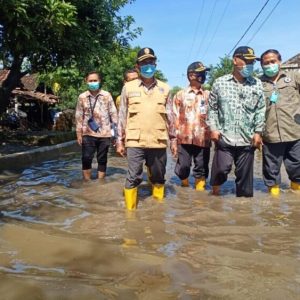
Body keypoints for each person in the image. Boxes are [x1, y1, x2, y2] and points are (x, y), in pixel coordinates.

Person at [116, 47, 177, 210]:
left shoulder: (165, 88)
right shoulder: (128, 88)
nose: (148, 65)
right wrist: (119, 141)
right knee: (133, 176)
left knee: (158, 177)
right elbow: (122, 115)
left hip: (158, 141)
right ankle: (130, 214)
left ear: (155, 64)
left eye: (151, 62)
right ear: (137, 66)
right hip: (134, 140)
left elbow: (170, 117)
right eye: (144, 62)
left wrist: (174, 140)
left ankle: (157, 212)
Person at [207, 46, 265, 197]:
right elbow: (212, 108)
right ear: (235, 60)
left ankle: (243, 209)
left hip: (247, 138)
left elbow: (260, 109)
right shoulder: (219, 83)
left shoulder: (257, 83)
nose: (250, 65)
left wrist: (258, 132)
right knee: (221, 169)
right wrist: (213, 128)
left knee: (245, 180)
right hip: (224, 136)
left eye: (252, 62)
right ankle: (215, 193)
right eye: (246, 61)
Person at [260, 49, 300, 196]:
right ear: (262, 66)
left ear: (279, 62)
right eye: (266, 63)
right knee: (271, 170)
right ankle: (273, 203)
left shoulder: (293, 78)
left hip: (294, 132)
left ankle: (296, 196)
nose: (270, 65)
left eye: (273, 61)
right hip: (270, 134)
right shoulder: (259, 83)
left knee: (297, 167)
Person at [172, 61, 211, 190]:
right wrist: (173, 139)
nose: (204, 75)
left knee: (201, 167)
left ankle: (199, 197)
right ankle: (184, 186)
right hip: (184, 138)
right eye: (201, 73)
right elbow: (174, 116)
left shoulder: (208, 95)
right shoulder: (180, 94)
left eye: (204, 73)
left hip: (203, 138)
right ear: (191, 75)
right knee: (183, 167)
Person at [75, 71, 118, 180]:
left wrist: (115, 134)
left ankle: (101, 182)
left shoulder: (106, 95)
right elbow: (79, 116)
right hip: (88, 132)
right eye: (90, 81)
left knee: (102, 159)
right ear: (86, 81)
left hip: (105, 133)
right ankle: (87, 182)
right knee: (86, 158)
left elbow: (113, 114)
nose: (93, 82)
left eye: (95, 80)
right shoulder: (82, 97)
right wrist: (78, 134)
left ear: (99, 81)